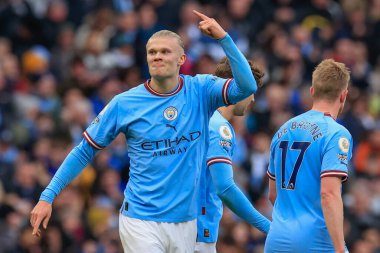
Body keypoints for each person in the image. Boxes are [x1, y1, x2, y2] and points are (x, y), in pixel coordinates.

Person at [30, 10, 258, 253]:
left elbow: (247, 86)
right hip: (141, 220)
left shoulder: (201, 90)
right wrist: (48, 196)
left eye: (164, 51)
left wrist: (224, 38)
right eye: (152, 52)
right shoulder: (124, 103)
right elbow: (84, 150)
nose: (157, 56)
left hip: (186, 221)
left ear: (182, 59)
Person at [265, 59, 352, 253]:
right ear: (343, 96)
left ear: (312, 91)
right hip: (315, 241)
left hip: (277, 239)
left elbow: (273, 194)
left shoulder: (282, 130)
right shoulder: (336, 134)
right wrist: (339, 249)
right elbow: (328, 194)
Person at [195, 57, 271, 253]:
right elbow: (225, 188)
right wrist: (269, 227)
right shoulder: (219, 127)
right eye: (250, 91)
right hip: (196, 232)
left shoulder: (198, 117)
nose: (253, 99)